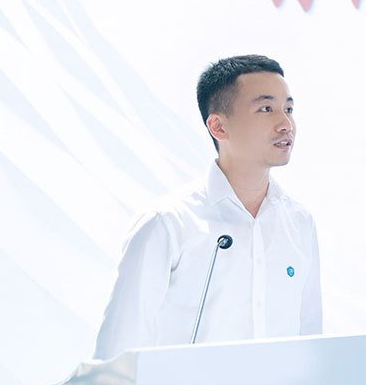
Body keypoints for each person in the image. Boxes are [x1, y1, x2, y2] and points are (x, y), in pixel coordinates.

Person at [93, 55, 321, 359]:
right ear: (218, 127)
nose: (285, 124)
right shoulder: (168, 223)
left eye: (288, 109)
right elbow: (115, 356)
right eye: (266, 109)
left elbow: (310, 347)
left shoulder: (299, 223)